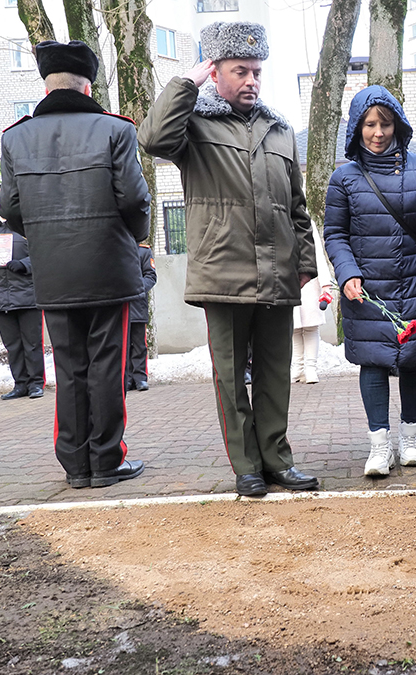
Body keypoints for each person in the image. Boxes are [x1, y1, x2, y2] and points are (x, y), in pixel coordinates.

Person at [138, 21, 319, 497]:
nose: (252, 80)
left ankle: (278, 460)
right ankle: (247, 467)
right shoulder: (194, 123)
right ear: (215, 71)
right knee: (231, 376)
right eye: (240, 70)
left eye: (257, 71)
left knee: (276, 373)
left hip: (278, 272)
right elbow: (152, 139)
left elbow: (296, 205)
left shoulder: (280, 131)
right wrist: (185, 84)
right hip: (224, 270)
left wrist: (306, 264)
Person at [0, 40, 151, 488]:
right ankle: (106, 461)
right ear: (88, 87)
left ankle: (76, 466)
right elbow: (136, 199)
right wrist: (131, 236)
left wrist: (45, 240)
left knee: (68, 369)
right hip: (109, 268)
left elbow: (10, 208)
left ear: (47, 86)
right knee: (107, 366)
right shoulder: (115, 130)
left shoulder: (15, 136)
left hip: (53, 273)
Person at [324, 85, 416, 477]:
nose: (378, 132)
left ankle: (410, 438)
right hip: (369, 290)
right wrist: (348, 273)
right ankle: (379, 446)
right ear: (356, 128)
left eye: (385, 124)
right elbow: (336, 234)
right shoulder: (344, 178)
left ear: (397, 124)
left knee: (413, 360)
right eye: (369, 124)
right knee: (373, 362)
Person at [0, 184, 46, 400]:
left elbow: (41, 255)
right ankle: (20, 384)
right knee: (12, 345)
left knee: (32, 343)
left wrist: (23, 265)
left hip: (26, 294)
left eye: (3, 201)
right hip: (0, 296)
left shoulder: (26, 227)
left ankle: (36, 383)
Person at [291, 222, 332, 384]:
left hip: (310, 279)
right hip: (289, 279)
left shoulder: (305, 221)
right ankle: (297, 367)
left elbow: (318, 254)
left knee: (310, 326)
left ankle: (311, 367)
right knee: (294, 328)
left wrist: (325, 284)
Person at [126, 242, 157, 392]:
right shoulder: (116, 247)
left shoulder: (143, 251)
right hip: (120, 306)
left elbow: (150, 276)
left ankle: (140, 378)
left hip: (137, 306)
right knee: (122, 346)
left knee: (139, 345)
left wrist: (136, 288)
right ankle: (126, 379)